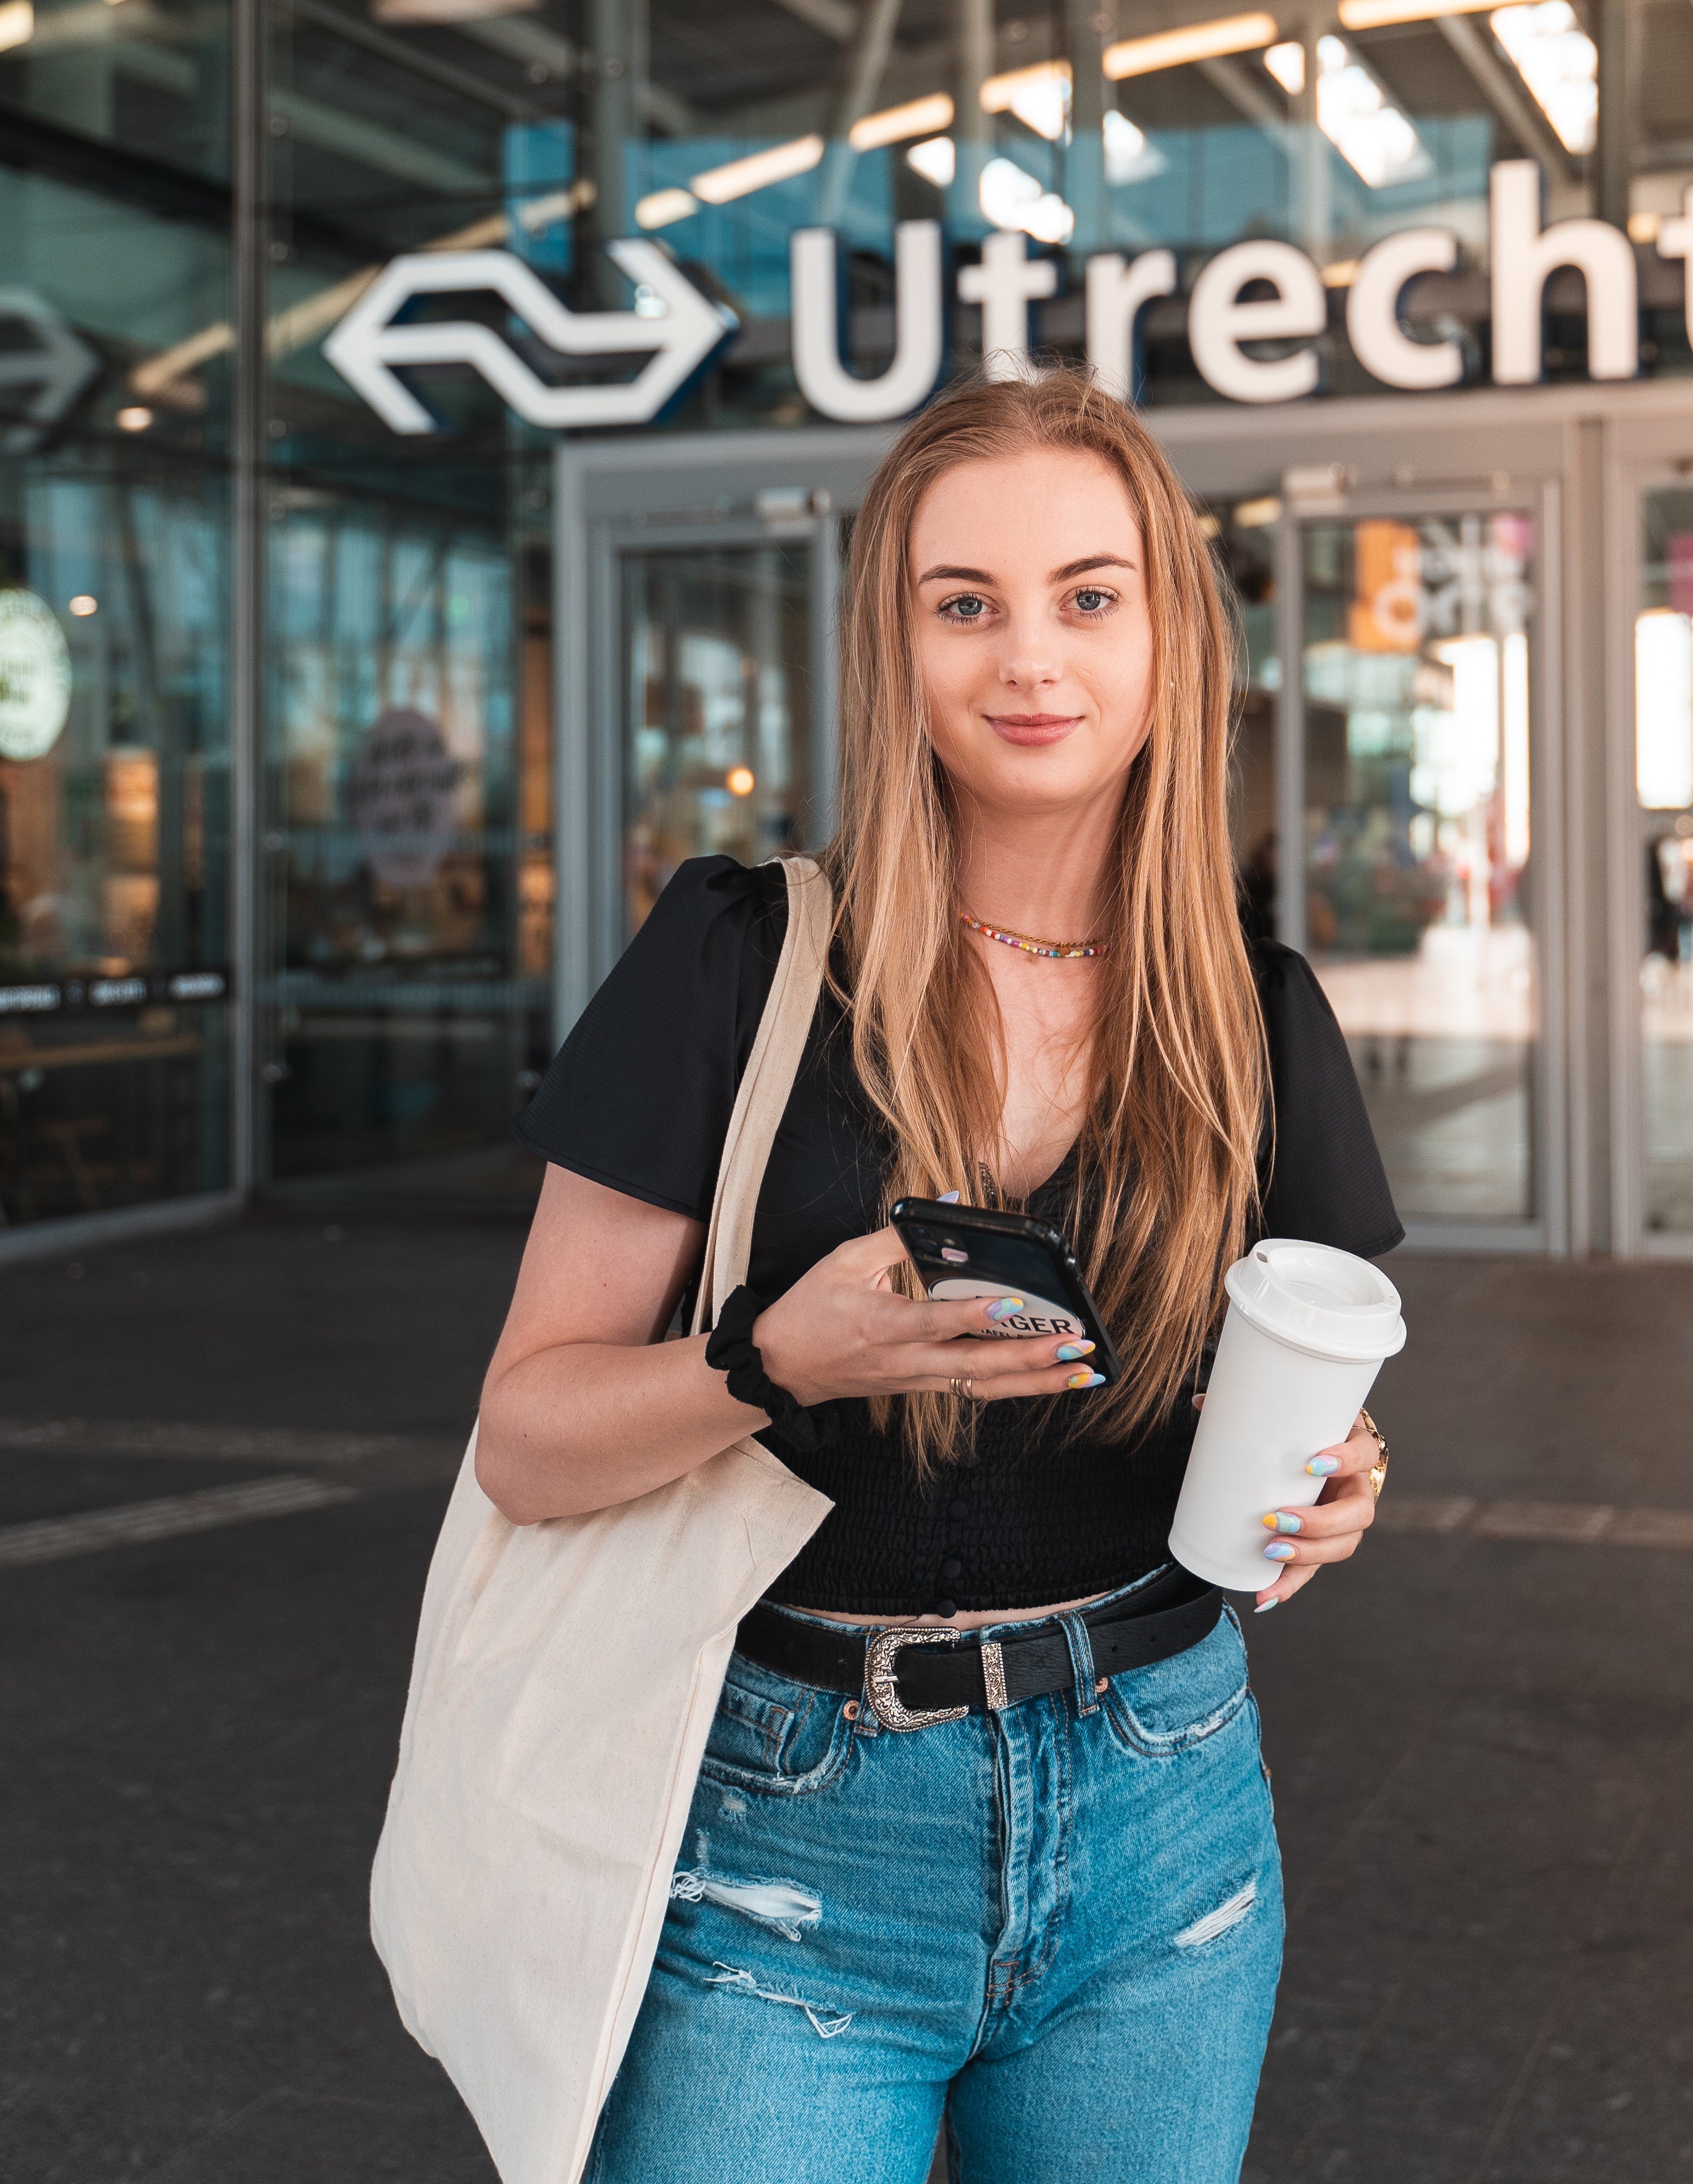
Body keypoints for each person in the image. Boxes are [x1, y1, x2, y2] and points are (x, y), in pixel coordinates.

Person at [480, 374, 1402, 2184]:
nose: (1027, 658)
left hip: (1168, 1825)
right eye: (961, 602)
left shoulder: (1249, 1014)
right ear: (891, 644)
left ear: (1165, 636)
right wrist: (764, 1363)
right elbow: (526, 1440)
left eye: (1087, 594)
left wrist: (1335, 1488)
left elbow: (1302, 1405)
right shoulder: (737, 963)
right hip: (783, 1843)